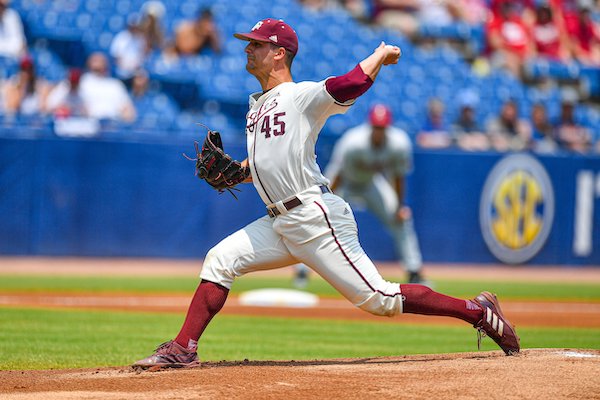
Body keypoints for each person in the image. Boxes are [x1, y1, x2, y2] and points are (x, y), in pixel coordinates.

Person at [133, 18, 519, 368]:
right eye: (248, 43)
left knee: (380, 300)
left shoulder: (300, 95)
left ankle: (478, 311)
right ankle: (184, 348)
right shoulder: (254, 110)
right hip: (279, 220)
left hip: (315, 217)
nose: (248, 48)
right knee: (220, 259)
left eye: (256, 44)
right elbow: (267, 165)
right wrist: (239, 173)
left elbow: (347, 85)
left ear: (279, 53)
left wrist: (380, 55)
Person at [323, 103, 427, 284]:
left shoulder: (398, 143)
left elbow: (398, 177)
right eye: (376, 127)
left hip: (370, 183)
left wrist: (399, 206)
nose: (379, 131)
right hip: (344, 183)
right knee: (318, 219)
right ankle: (303, 270)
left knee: (401, 219)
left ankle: (413, 270)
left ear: (388, 127)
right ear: (370, 126)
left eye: (382, 127)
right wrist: (326, 201)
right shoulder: (353, 142)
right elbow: (337, 174)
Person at [78, 52, 136, 122]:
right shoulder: (82, 82)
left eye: (101, 60)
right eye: (95, 60)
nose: (98, 63)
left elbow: (128, 108)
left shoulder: (115, 84)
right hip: (90, 123)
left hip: (113, 124)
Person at [110, 13, 148, 82]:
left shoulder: (141, 39)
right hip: (122, 71)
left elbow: (143, 56)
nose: (135, 29)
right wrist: (127, 66)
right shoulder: (121, 37)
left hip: (136, 72)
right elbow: (116, 57)